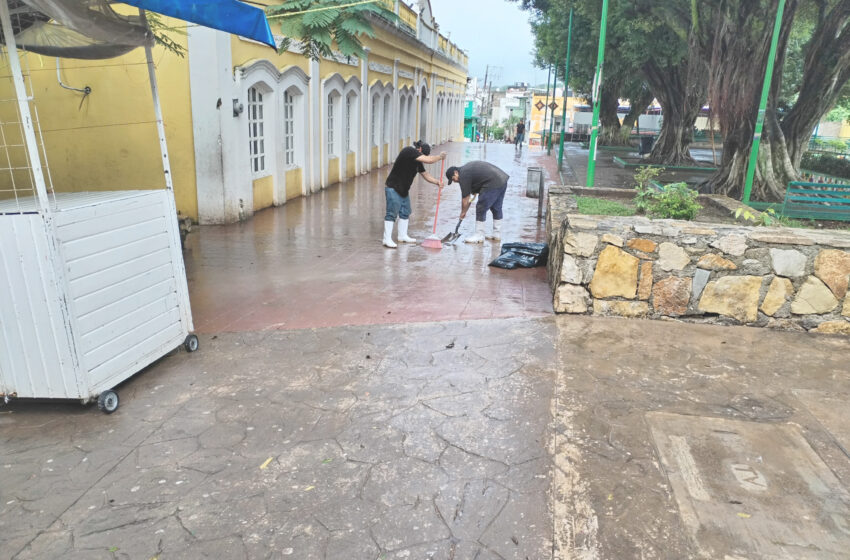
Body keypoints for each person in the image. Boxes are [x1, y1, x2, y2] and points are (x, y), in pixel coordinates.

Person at [383, 140, 447, 248]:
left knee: (405, 212)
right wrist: (439, 157)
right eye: (422, 155)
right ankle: (386, 239)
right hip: (393, 187)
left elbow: (425, 174)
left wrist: (437, 182)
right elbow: (429, 160)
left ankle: (402, 236)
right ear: (419, 150)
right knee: (391, 213)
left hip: (403, 190)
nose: (422, 157)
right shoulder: (408, 151)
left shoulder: (417, 161)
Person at [445, 161, 509, 243]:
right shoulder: (466, 170)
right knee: (496, 208)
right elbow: (470, 197)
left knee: (480, 207)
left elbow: (465, 198)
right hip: (502, 179)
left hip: (492, 182)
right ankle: (497, 234)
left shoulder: (463, 175)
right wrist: (465, 210)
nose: (455, 181)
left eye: (454, 179)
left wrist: (462, 213)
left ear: (456, 172)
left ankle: (479, 235)